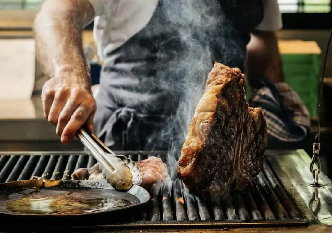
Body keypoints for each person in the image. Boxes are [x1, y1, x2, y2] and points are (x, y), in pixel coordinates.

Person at [34, 0, 310, 154]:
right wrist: (68, 74)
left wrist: (274, 100)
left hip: (223, 142)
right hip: (132, 137)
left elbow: (262, 39)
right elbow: (57, 13)